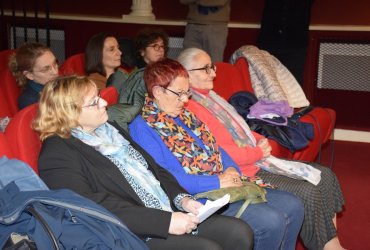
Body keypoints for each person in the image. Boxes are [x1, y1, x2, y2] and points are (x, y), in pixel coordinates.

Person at [33, 75, 253, 250]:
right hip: (128, 232)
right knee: (207, 248)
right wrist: (163, 222)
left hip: (163, 210)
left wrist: (182, 199)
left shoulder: (110, 130)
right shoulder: (57, 153)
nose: (104, 102)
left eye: (99, 96)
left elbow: (154, 170)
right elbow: (91, 206)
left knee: (239, 232)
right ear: (69, 114)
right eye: (93, 102)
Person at [178, 47, 346, 250]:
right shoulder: (188, 107)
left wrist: (259, 139)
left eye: (211, 67)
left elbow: (239, 128)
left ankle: (333, 244)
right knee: (308, 191)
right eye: (205, 69)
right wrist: (257, 151)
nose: (213, 73)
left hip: (255, 159)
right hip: (244, 170)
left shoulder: (211, 97)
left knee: (325, 176)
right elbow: (219, 153)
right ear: (185, 73)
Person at [129, 58, 304, 250]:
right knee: (271, 221)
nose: (185, 100)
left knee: (294, 205)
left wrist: (231, 169)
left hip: (224, 185)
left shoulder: (185, 115)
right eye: (179, 93)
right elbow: (164, 177)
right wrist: (218, 181)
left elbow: (216, 148)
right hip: (199, 196)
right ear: (157, 92)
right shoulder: (143, 127)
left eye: (187, 92)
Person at [108, 28, 168, 130]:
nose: (160, 50)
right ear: (142, 52)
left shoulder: (163, 71)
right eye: (155, 46)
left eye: (162, 46)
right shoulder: (138, 77)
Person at [9, 42, 59, 110]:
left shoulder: (57, 84)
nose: (55, 72)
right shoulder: (29, 102)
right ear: (29, 75)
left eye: (55, 63)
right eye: (45, 69)